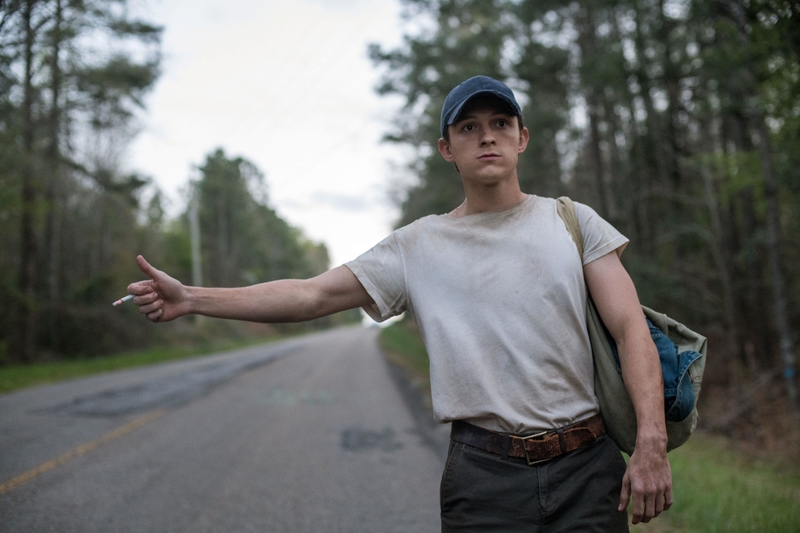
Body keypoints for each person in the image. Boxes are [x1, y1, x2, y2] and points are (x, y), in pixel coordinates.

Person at [128, 75, 672, 532]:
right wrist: (192, 297)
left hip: (587, 467)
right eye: (469, 127)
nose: (488, 137)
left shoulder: (572, 221)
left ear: (522, 137)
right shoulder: (417, 246)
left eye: (500, 124)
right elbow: (312, 293)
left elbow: (631, 331)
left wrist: (651, 442)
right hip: (484, 477)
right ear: (446, 148)